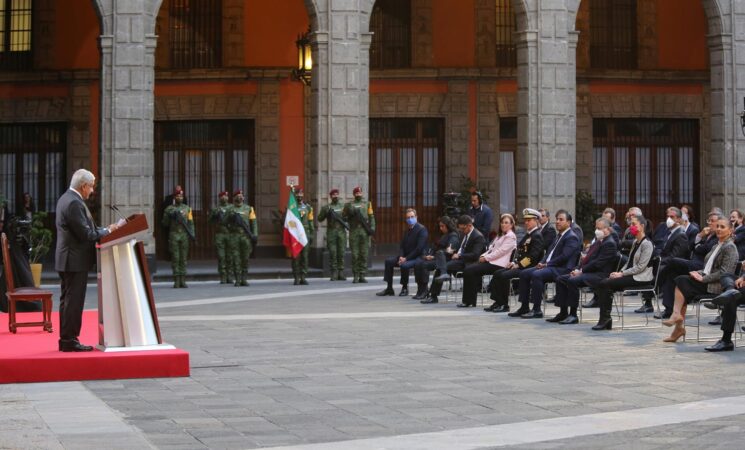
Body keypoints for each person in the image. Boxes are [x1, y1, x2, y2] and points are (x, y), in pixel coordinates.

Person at [55, 169, 119, 352]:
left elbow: (86, 228)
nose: (92, 191)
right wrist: (108, 231)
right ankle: (69, 341)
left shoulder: (66, 198)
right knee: (73, 301)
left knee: (68, 301)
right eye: (91, 187)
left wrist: (106, 229)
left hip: (68, 259)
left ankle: (67, 339)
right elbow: (86, 234)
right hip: (74, 260)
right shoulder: (74, 203)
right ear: (83, 186)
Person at [662, 217, 738, 343]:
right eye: (717, 226)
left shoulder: (730, 247)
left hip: (716, 286)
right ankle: (677, 324)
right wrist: (697, 273)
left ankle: (677, 320)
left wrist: (703, 279)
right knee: (681, 281)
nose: (718, 229)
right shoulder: (717, 245)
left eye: (722, 227)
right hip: (707, 280)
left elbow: (725, 273)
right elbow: (708, 268)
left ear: (730, 231)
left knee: (681, 281)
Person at [509, 209, 581, 319]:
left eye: (561, 219)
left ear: (569, 222)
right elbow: (549, 253)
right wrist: (542, 262)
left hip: (562, 269)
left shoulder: (571, 237)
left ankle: (537, 309)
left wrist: (547, 265)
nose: (557, 222)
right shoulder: (559, 236)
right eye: (557, 219)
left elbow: (564, 256)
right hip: (551, 266)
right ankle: (524, 306)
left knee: (537, 275)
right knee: (524, 273)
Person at [548, 217, 618, 324]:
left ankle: (573, 314)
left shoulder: (609, 243)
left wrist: (581, 271)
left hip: (600, 275)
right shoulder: (599, 241)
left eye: (599, 228)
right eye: (596, 228)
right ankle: (563, 312)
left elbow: (598, 264)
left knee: (572, 281)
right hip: (588, 271)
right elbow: (587, 258)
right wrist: (577, 268)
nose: (596, 231)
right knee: (561, 279)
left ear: (608, 230)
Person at [592, 216, 653, 331]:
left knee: (605, 283)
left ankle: (605, 319)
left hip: (641, 278)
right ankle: (605, 319)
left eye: (634, 224)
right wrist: (619, 272)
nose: (631, 227)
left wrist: (622, 274)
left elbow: (640, 267)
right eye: (630, 225)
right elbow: (629, 262)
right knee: (604, 283)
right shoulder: (636, 241)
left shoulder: (647, 244)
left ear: (642, 226)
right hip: (631, 274)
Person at [484, 208, 545, 313]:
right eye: (525, 220)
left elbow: (533, 257)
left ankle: (504, 304)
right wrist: (514, 262)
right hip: (521, 265)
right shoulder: (529, 234)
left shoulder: (537, 235)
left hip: (530, 267)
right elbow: (520, 252)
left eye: (529, 220)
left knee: (503, 276)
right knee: (498, 273)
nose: (526, 222)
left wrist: (519, 265)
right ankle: (499, 302)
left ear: (536, 221)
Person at [637, 206, 690, 313]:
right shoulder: (669, 232)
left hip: (676, 266)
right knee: (647, 269)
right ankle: (648, 301)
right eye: (668, 216)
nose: (669, 219)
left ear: (679, 219)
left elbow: (675, 256)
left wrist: (660, 261)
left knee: (661, 273)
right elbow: (661, 248)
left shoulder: (680, 235)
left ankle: (669, 309)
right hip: (666, 263)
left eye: (672, 217)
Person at [424, 215, 486, 305]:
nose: (461, 231)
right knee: (440, 259)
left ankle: (441, 279)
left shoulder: (478, 236)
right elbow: (460, 248)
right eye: (460, 229)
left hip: (468, 262)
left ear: (469, 225)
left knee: (442, 267)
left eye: (463, 229)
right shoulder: (463, 234)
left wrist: (460, 256)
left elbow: (475, 255)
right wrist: (453, 251)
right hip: (459, 260)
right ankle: (433, 295)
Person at [459, 213, 516, 307]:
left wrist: (486, 258)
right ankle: (469, 300)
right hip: (492, 261)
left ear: (511, 225)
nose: (503, 224)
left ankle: (469, 301)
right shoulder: (500, 235)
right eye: (502, 222)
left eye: (506, 223)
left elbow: (500, 252)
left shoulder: (510, 236)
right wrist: (482, 256)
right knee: (469, 270)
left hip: (499, 264)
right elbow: (490, 249)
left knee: (470, 270)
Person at [377, 208, 428, 297]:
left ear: (416, 217)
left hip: (417, 257)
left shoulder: (422, 229)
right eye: (408, 217)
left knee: (404, 265)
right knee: (389, 261)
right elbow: (402, 246)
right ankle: (389, 288)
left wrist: (406, 258)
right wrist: (401, 256)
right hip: (405, 257)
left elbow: (419, 249)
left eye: (412, 217)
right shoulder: (407, 230)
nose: (410, 219)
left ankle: (404, 288)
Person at [414, 216, 460, 300]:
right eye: (440, 226)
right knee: (418, 263)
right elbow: (435, 247)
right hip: (436, 257)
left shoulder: (453, 235)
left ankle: (426, 292)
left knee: (424, 265)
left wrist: (433, 256)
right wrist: (429, 255)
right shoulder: (444, 235)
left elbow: (449, 251)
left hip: (445, 259)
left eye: (442, 226)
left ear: (448, 225)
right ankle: (420, 289)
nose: (441, 228)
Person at [162, 187, 194, 288]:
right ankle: (176, 280)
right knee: (175, 258)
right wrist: (170, 216)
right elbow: (165, 224)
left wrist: (192, 234)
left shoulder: (187, 209)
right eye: (178, 196)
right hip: (174, 235)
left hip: (184, 235)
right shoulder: (169, 209)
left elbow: (191, 223)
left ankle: (183, 280)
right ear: (174, 197)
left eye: (181, 196)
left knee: (183, 258)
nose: (180, 197)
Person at [344, 186, 375, 283]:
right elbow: (344, 217)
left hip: (364, 231)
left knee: (364, 254)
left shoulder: (367, 204)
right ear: (354, 194)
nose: (358, 194)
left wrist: (372, 228)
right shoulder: (349, 205)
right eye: (357, 193)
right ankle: (355, 275)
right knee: (355, 255)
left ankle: (362, 274)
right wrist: (350, 213)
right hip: (354, 231)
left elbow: (371, 217)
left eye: (360, 193)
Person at [227, 189, 257, 287]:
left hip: (245, 237)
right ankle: (238, 279)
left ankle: (244, 278)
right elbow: (224, 222)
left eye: (241, 195)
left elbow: (253, 223)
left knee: (245, 258)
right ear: (234, 198)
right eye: (238, 195)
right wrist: (231, 218)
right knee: (236, 258)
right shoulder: (230, 209)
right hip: (234, 236)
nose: (240, 197)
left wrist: (255, 234)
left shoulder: (249, 209)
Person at [317, 188, 348, 281]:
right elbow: (319, 218)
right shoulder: (327, 207)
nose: (335, 196)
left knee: (341, 252)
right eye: (333, 195)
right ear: (331, 196)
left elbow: (347, 218)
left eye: (336, 194)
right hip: (331, 232)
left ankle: (341, 272)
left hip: (341, 232)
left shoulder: (343, 207)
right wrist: (326, 213)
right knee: (333, 252)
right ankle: (334, 272)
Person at [209, 191, 234, 284]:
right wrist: (214, 215)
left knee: (230, 256)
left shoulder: (232, 208)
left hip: (229, 234)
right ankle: (223, 275)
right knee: (221, 256)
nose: (224, 198)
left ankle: (230, 275)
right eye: (222, 196)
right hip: (220, 235)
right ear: (219, 198)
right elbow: (210, 221)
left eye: (226, 196)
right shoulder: (216, 209)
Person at [291, 187, 315, 285]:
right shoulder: (292, 207)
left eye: (301, 194)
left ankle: (303, 277)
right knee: (296, 256)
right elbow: (289, 222)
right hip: (295, 235)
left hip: (305, 234)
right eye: (297, 194)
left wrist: (312, 234)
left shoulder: (308, 207)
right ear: (295, 195)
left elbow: (310, 222)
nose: (299, 196)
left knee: (305, 257)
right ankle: (296, 277)